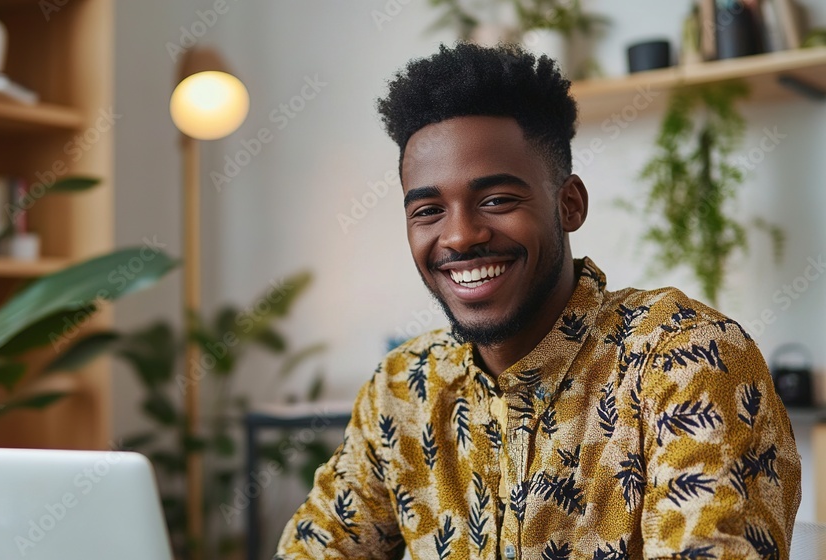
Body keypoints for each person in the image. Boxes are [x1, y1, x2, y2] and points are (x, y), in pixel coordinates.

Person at [274, 43, 801, 559]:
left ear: (569, 204)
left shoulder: (683, 359)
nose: (459, 236)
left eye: (497, 200)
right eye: (428, 210)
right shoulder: (404, 388)